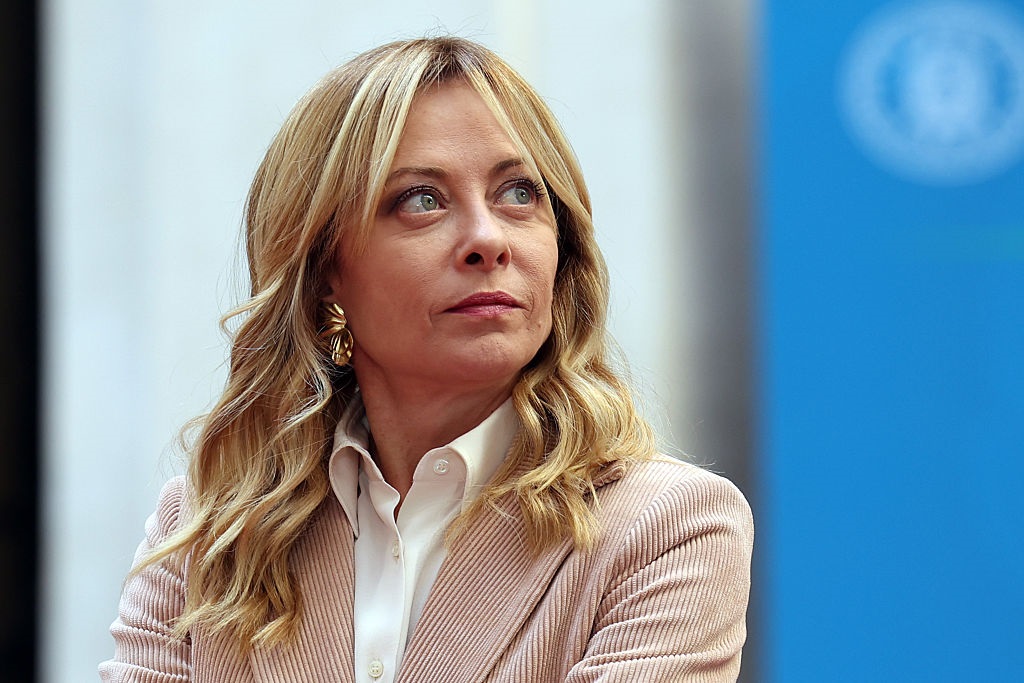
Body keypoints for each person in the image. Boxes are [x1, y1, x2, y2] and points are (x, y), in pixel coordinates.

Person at [99, 37, 753, 682]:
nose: (487, 239)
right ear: (325, 269)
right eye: (422, 200)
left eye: (519, 193)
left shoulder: (669, 527)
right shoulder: (207, 535)